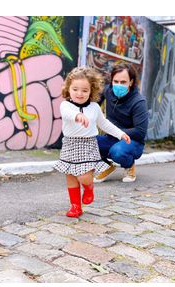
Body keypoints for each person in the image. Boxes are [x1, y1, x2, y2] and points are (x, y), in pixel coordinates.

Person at [54, 67, 130, 218]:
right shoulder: (65, 105)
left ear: (91, 91)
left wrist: (120, 133)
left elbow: (105, 124)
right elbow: (68, 114)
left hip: (88, 145)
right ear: (68, 88)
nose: (79, 93)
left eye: (84, 90)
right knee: (70, 176)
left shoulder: (94, 107)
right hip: (70, 144)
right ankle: (75, 206)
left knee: (84, 176)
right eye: (75, 89)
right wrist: (77, 116)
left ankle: (88, 188)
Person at [94, 61, 149, 183]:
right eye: (116, 81)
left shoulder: (139, 102)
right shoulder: (108, 91)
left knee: (117, 152)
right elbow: (93, 104)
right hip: (112, 137)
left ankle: (129, 165)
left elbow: (140, 132)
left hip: (132, 141)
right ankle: (106, 166)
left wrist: (116, 132)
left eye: (123, 82)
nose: (119, 85)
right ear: (112, 81)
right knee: (85, 142)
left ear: (131, 82)